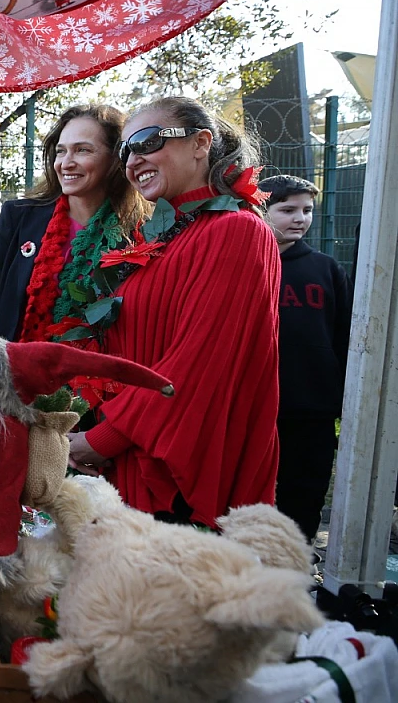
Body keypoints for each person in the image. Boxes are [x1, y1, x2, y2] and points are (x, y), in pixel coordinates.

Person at [67, 97, 280, 528]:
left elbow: (200, 365)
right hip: (135, 453)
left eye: (147, 141)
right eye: (126, 150)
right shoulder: (162, 238)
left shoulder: (237, 230)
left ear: (201, 143)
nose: (133, 160)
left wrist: (102, 439)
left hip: (180, 471)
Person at [0, 105, 147, 366]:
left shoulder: (139, 231)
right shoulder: (18, 218)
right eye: (61, 151)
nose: (66, 162)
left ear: (116, 158)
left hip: (99, 386)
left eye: (82, 150)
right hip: (11, 386)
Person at [258, 174, 352, 543]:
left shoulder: (326, 269)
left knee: (305, 490)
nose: (300, 218)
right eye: (287, 209)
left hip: (312, 407)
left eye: (307, 210)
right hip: (258, 403)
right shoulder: (246, 263)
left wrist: (340, 396)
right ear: (261, 210)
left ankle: (298, 557)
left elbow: (344, 334)